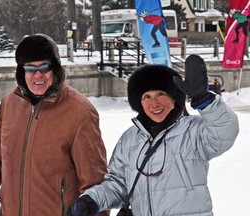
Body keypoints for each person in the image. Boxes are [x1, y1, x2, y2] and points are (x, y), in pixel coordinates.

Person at [66, 54, 239, 216]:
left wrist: (205, 101)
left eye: (161, 94)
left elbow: (224, 131)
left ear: (173, 97)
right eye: (146, 96)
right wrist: (91, 200)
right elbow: (118, 184)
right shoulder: (129, 139)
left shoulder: (192, 130)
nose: (154, 103)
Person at [0, 33, 109, 216]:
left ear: (55, 68)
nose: (38, 75)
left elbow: (95, 182)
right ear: (22, 71)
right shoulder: (10, 104)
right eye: (30, 69)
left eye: (44, 67)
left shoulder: (80, 112)